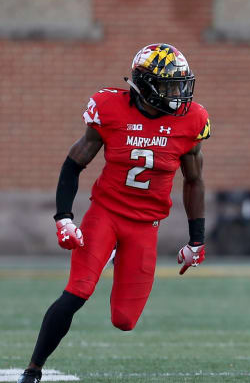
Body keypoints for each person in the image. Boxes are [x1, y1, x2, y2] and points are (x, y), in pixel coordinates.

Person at [18, 44, 210, 383]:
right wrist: (64, 218)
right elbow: (73, 163)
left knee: (125, 320)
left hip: (146, 225)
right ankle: (33, 369)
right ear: (145, 85)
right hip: (105, 213)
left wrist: (197, 240)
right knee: (78, 291)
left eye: (179, 84)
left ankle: (118, 261)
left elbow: (194, 180)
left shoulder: (192, 120)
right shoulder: (110, 108)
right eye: (167, 86)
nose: (177, 94)